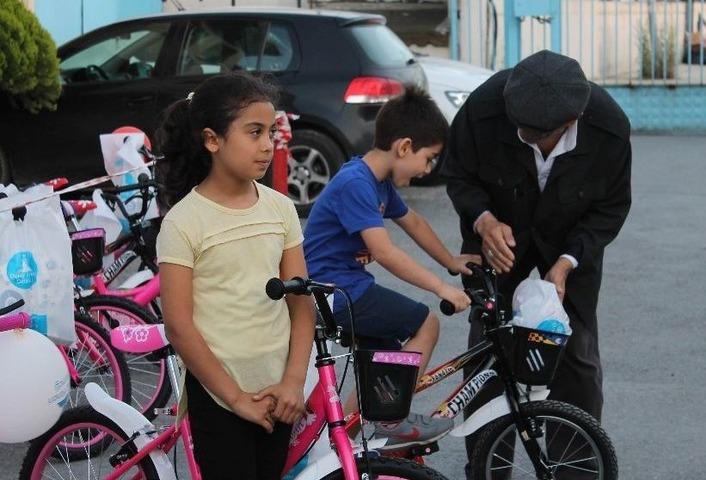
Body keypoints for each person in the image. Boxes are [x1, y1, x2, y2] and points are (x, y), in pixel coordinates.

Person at [441, 50, 632, 467]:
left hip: (570, 245)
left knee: (573, 352)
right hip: (496, 237)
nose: (524, 137)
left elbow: (610, 209)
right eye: (520, 130)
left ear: (571, 121)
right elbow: (457, 173)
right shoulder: (485, 108)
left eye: (534, 135)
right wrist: (483, 220)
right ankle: (489, 467)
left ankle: (576, 468)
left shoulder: (609, 127)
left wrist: (566, 262)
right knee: (488, 348)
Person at [155, 73, 315, 480]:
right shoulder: (183, 222)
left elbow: (301, 301)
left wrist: (294, 381)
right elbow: (179, 325)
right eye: (255, 132)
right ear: (212, 140)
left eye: (272, 132)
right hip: (219, 397)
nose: (268, 145)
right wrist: (236, 398)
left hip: (280, 391)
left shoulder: (280, 209)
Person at [303, 86, 479, 447]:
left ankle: (342, 446)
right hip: (331, 292)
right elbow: (384, 252)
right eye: (428, 159)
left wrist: (452, 264)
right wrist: (440, 288)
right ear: (403, 147)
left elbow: (412, 222)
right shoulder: (356, 183)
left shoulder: (377, 182)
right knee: (425, 322)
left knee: (384, 363)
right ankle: (390, 421)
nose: (427, 169)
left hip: (342, 287)